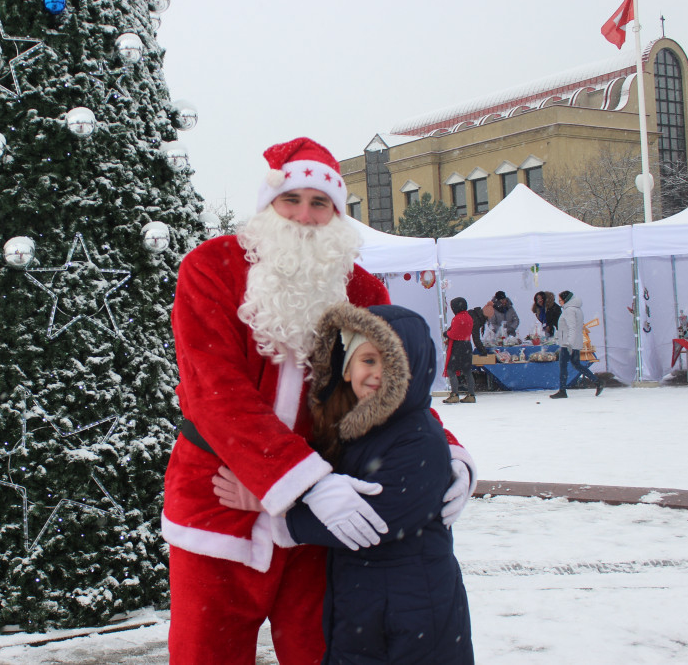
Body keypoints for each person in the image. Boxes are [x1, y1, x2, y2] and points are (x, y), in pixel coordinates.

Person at [163, 136, 476, 664]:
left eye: (320, 203)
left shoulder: (362, 288)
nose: (306, 217)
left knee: (320, 651)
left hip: (325, 508)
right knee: (206, 652)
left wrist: (447, 451)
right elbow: (214, 389)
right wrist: (302, 479)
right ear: (269, 207)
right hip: (222, 496)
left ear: (337, 212)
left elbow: (393, 385)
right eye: (293, 200)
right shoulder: (211, 268)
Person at [216, 304, 474, 664]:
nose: (378, 373)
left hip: (414, 610)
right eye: (368, 360)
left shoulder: (419, 437)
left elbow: (374, 522)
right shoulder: (350, 426)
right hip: (364, 604)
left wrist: (277, 511)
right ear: (347, 366)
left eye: (392, 362)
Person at [550, 290, 603, 399]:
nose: (559, 302)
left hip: (568, 343)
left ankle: (562, 389)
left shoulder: (569, 311)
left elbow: (571, 327)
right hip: (575, 341)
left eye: (560, 300)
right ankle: (597, 381)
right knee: (576, 364)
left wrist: (569, 343)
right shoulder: (577, 309)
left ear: (565, 300)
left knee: (563, 366)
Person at [443, 297, 476, 404]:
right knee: (467, 371)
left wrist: (446, 334)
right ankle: (471, 394)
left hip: (458, 346)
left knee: (451, 370)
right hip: (467, 345)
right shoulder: (469, 317)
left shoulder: (457, 318)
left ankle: (454, 394)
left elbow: (454, 334)